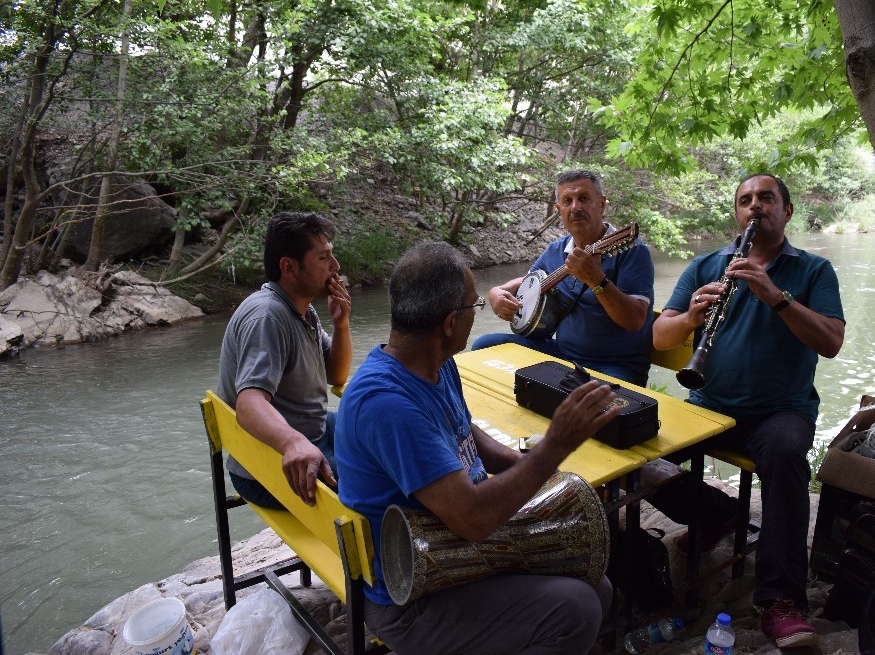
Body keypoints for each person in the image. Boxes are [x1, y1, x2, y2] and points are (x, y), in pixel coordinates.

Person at [335, 241, 617, 654]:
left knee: (595, 583)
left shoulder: (435, 362)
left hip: (456, 550)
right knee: (577, 609)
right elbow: (472, 517)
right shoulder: (386, 403)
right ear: (451, 322)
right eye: (474, 306)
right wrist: (555, 444)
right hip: (413, 593)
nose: (476, 313)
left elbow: (464, 433)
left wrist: (531, 471)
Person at [646, 174, 845, 648]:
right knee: (633, 451)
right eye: (746, 200)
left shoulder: (814, 270)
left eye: (766, 198)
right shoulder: (707, 265)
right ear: (738, 213)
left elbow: (831, 342)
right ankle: (718, 513)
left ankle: (781, 601)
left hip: (780, 410)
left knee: (786, 457)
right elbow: (660, 336)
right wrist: (691, 317)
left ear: (786, 210)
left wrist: (777, 297)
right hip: (709, 406)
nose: (755, 206)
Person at [216, 211, 352, 509]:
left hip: (312, 431)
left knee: (377, 429)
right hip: (271, 465)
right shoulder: (268, 316)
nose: (335, 266)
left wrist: (341, 325)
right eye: (323, 257)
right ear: (289, 267)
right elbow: (249, 404)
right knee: (377, 479)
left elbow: (336, 376)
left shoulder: (301, 309)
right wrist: (293, 442)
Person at [472, 169, 655, 386]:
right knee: (485, 346)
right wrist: (497, 291)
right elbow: (532, 281)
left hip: (614, 365)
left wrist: (597, 280)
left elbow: (635, 320)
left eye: (584, 198)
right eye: (567, 201)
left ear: (601, 204)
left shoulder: (633, 251)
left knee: (582, 397)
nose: (575, 207)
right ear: (559, 210)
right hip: (561, 354)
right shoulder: (556, 250)